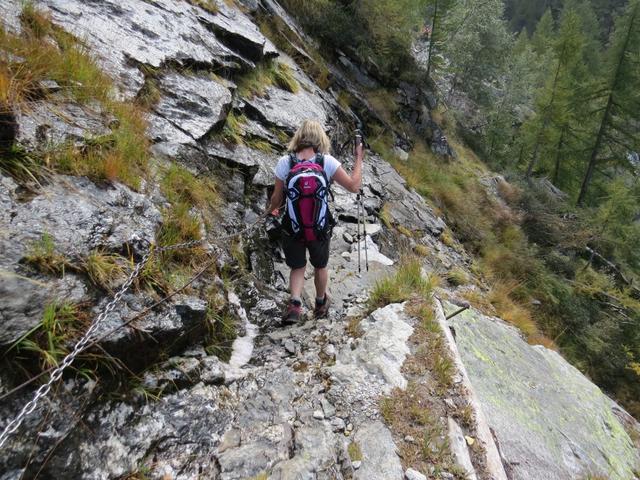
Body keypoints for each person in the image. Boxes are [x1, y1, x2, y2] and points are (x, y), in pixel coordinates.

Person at [267, 120, 364, 323]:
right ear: (321, 138)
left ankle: (294, 305)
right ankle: (320, 303)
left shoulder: (285, 162)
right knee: (320, 266)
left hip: (292, 227)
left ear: (298, 137)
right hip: (319, 227)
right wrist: (359, 157)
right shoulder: (326, 161)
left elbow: (277, 199)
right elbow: (354, 186)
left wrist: (270, 210)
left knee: (297, 266)